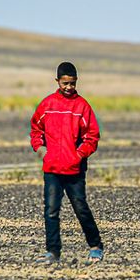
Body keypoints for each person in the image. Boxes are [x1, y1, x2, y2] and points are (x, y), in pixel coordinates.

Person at [29, 61, 103, 265]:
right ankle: (52, 252)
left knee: (80, 208)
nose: (69, 87)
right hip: (52, 168)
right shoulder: (47, 105)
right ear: (57, 81)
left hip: (74, 169)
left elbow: (92, 136)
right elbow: (36, 129)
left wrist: (78, 155)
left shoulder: (82, 106)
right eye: (65, 83)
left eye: (72, 83)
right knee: (51, 210)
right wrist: (41, 150)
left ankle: (96, 246)